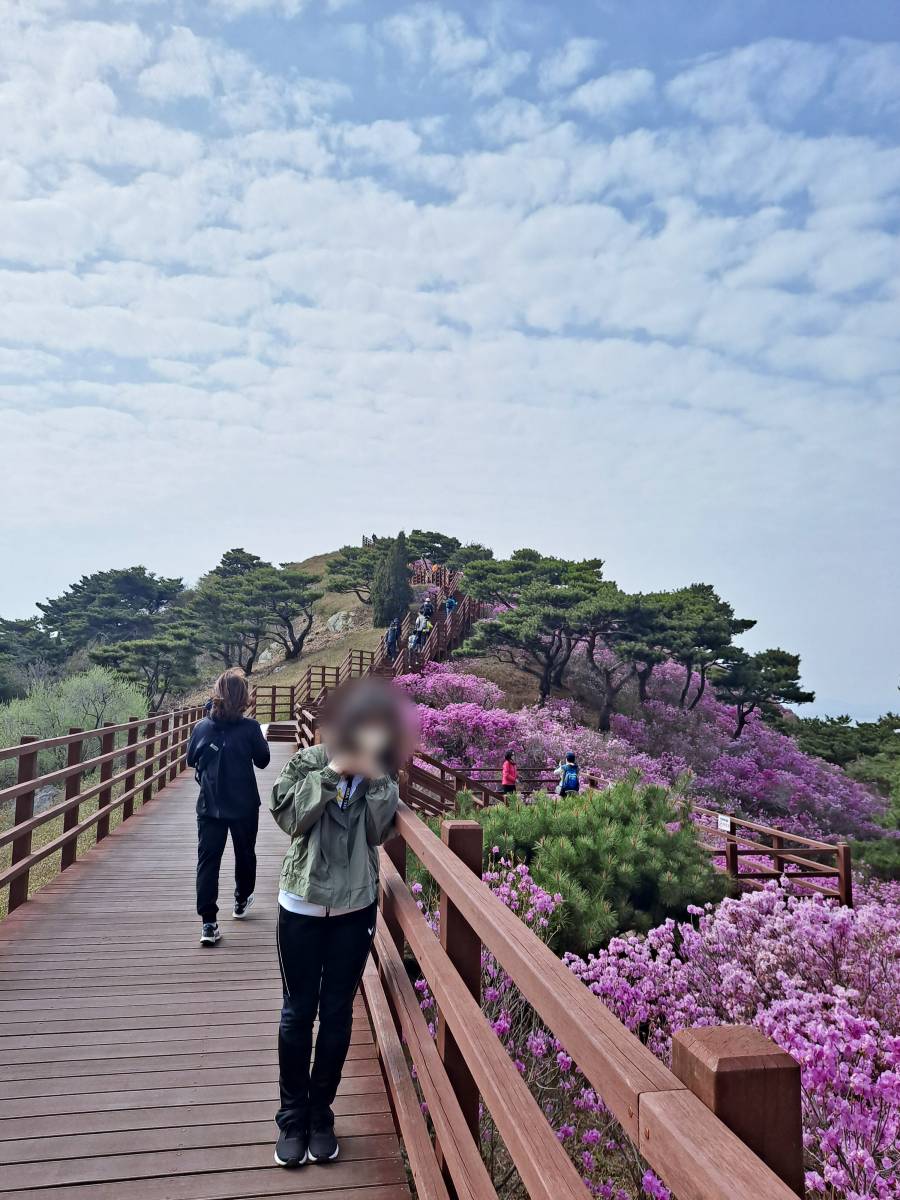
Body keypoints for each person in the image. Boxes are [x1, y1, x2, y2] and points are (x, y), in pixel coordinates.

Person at [268, 679, 408, 1170]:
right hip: (302, 905)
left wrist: (372, 777)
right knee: (297, 1013)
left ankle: (321, 1113)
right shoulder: (307, 764)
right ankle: (292, 1117)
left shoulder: (382, 775)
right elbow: (290, 819)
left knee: (337, 1014)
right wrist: (331, 771)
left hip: (355, 910)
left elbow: (375, 832)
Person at [187, 668, 270, 947]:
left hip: (209, 805)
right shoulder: (250, 728)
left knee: (208, 862)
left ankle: (208, 924)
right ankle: (241, 900)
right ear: (243, 697)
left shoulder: (202, 727)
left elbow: (190, 759)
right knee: (245, 854)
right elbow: (263, 760)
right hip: (244, 804)